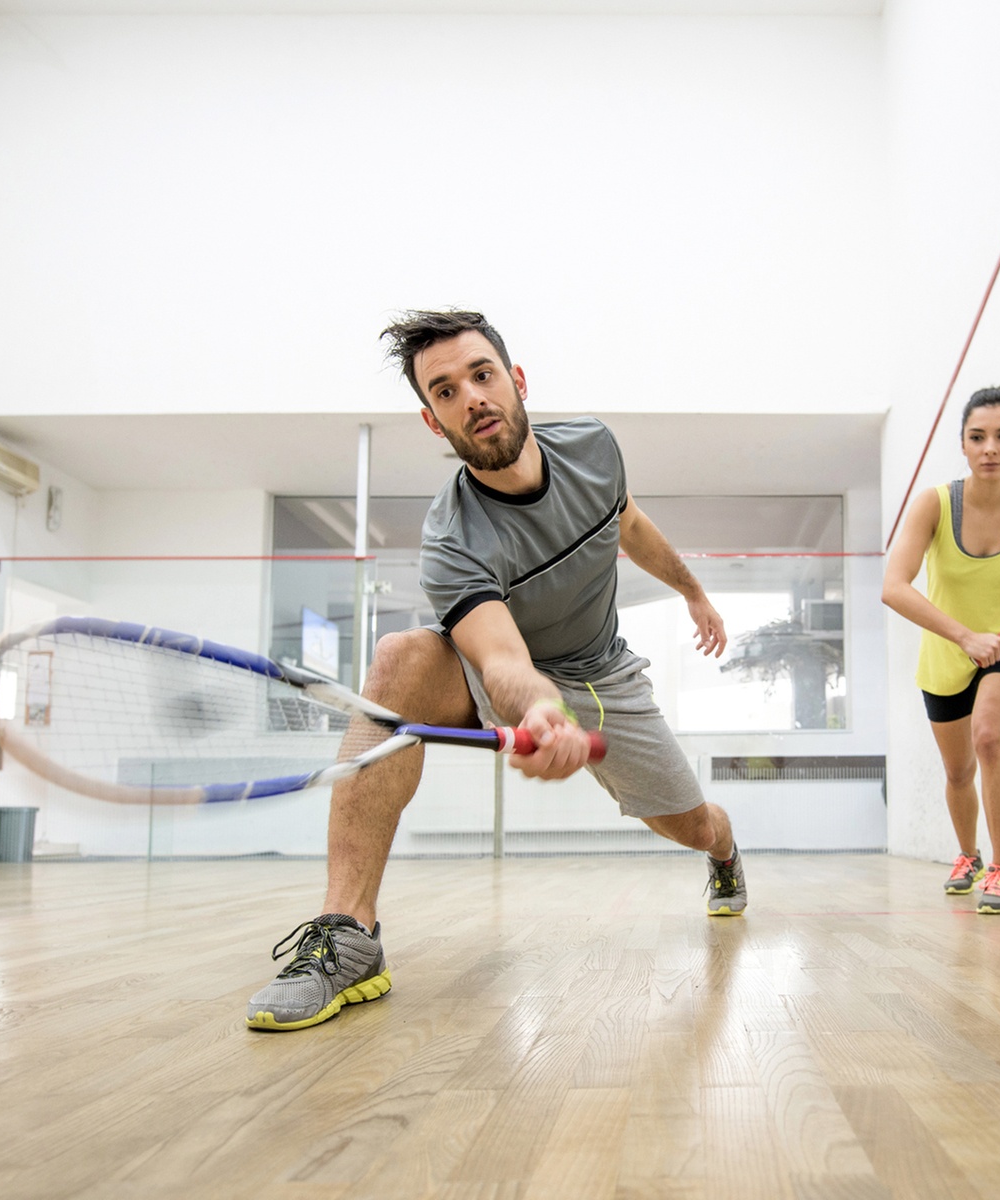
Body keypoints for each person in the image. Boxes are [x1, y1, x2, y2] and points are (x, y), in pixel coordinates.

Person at [245, 310, 744, 1031]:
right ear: (432, 421)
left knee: (692, 824)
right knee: (402, 659)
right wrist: (541, 710)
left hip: (605, 674)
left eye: (481, 375)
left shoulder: (595, 449)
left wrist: (692, 592)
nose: (471, 397)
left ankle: (726, 853)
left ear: (515, 380)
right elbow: (501, 656)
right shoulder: (452, 540)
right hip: (513, 675)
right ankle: (348, 932)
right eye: (445, 391)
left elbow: (630, 526)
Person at [882, 386, 1000, 914]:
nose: (990, 448)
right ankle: (968, 856)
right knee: (959, 773)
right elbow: (894, 586)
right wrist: (964, 637)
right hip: (946, 654)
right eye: (977, 437)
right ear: (962, 445)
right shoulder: (935, 504)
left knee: (989, 737)